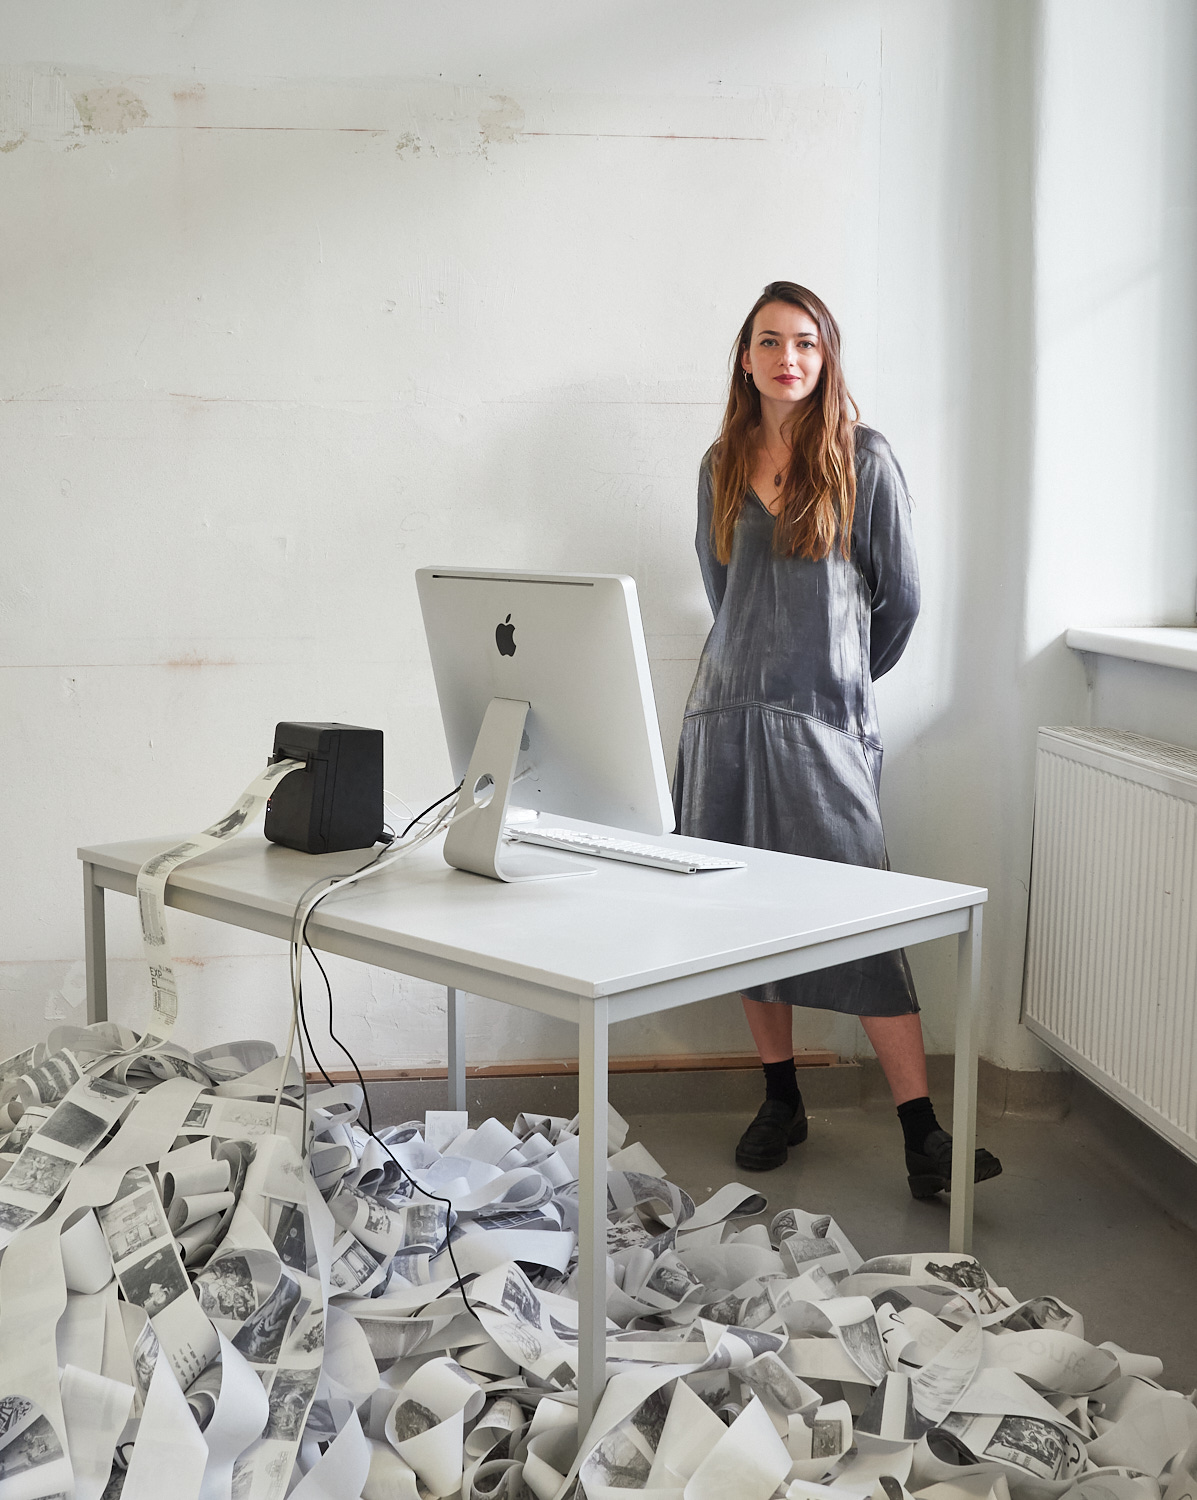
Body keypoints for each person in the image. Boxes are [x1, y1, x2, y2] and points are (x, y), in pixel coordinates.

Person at [673, 280, 1002, 1197]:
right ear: (746, 357)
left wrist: (839, 682)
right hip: (726, 720)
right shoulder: (720, 463)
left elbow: (900, 601)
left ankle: (921, 1134)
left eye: (807, 343)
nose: (789, 357)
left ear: (826, 358)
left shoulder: (865, 457)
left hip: (823, 727)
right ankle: (781, 1099)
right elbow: (719, 590)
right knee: (746, 923)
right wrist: (751, 676)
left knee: (861, 920)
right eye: (771, 341)